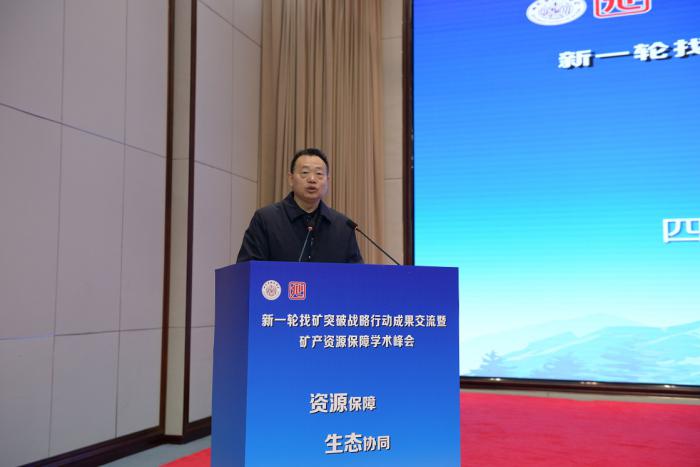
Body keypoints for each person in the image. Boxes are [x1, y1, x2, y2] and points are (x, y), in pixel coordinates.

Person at [236, 147, 363, 263]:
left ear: (327, 181)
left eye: (319, 174)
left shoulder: (343, 226)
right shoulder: (266, 220)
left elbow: (357, 275)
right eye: (304, 172)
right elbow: (247, 270)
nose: (312, 179)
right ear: (291, 179)